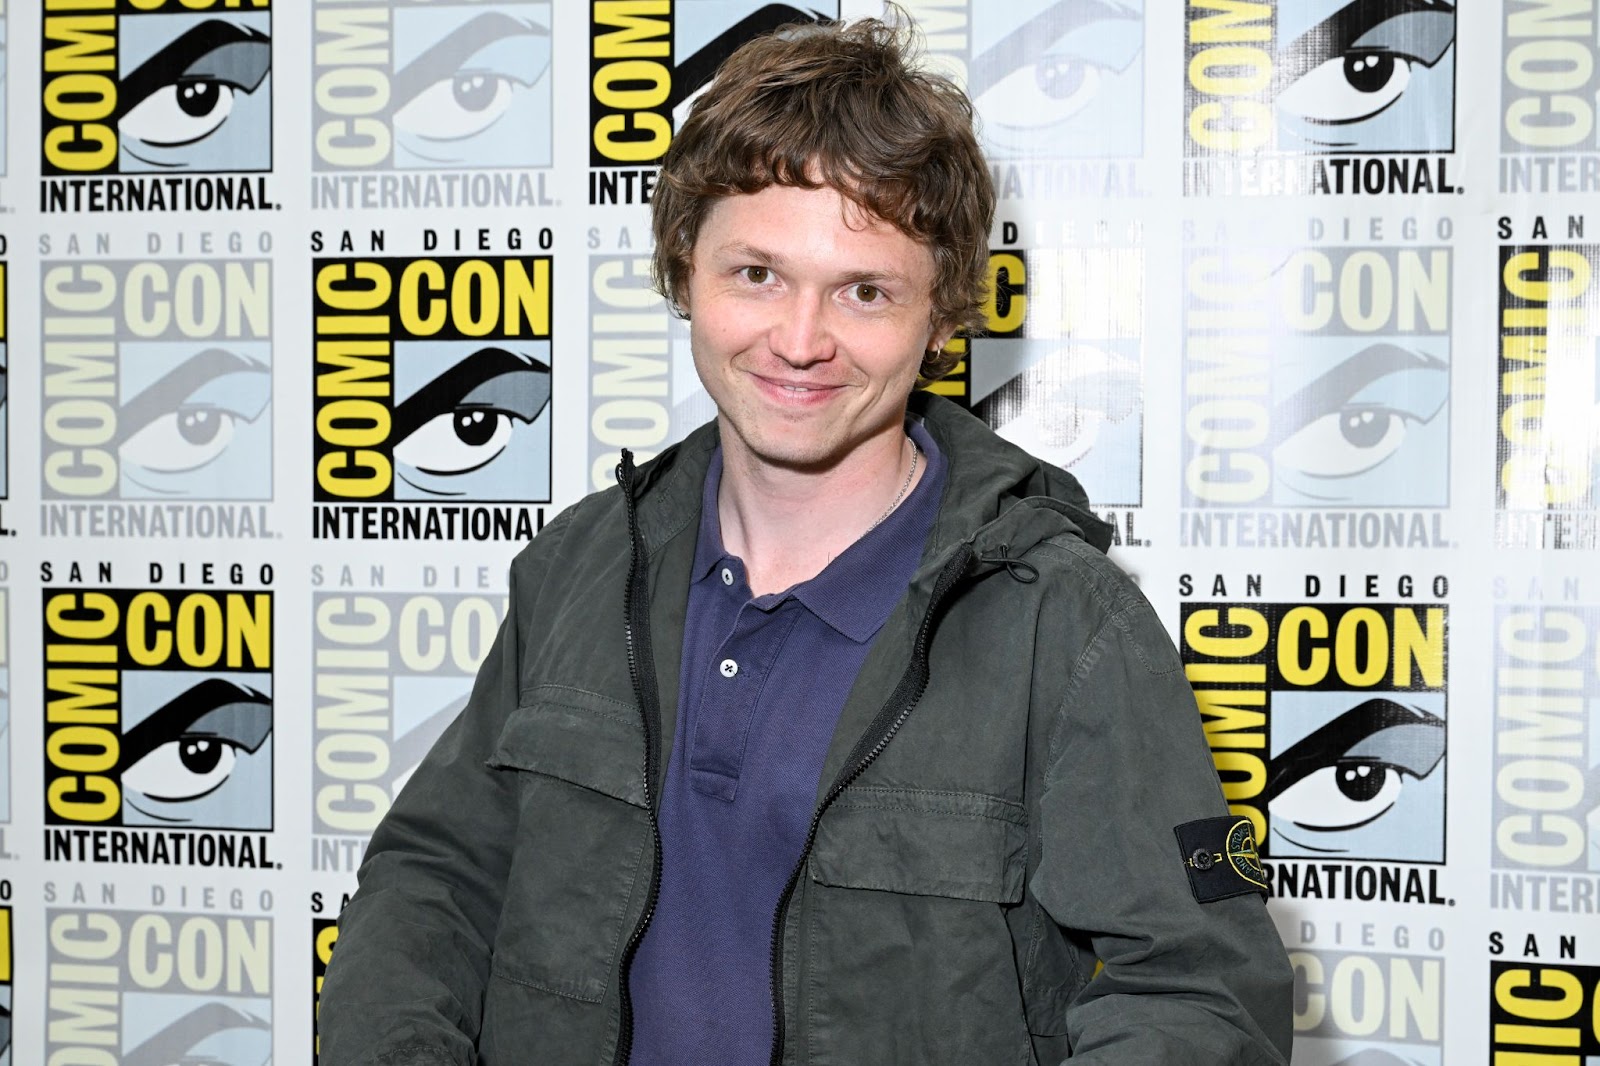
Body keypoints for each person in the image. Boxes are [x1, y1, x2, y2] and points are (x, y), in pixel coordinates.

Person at [318, 17, 1293, 1065]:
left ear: (941, 315)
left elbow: (1198, 996)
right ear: (685, 268)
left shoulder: (1060, 619)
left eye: (863, 291)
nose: (798, 340)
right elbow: (435, 876)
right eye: (757, 274)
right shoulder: (581, 566)